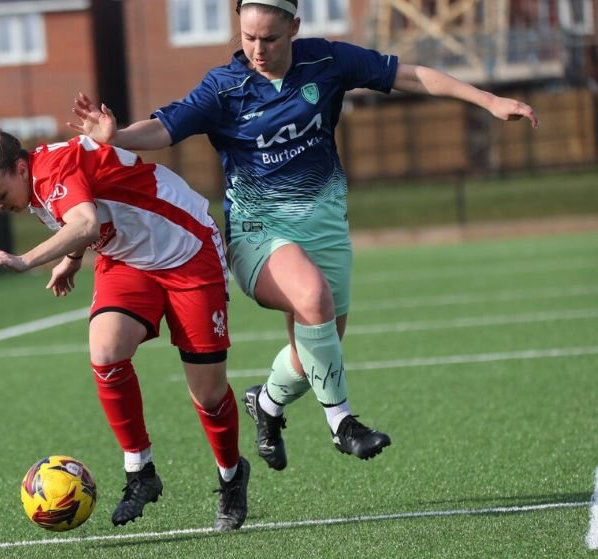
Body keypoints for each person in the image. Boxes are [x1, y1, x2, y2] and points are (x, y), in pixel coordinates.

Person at [69, 0, 539, 471]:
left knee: (313, 347)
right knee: (312, 298)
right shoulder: (224, 88)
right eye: (248, 37)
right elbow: (165, 129)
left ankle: (268, 405)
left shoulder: (326, 62)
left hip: (326, 228)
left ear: (294, 27)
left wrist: (490, 100)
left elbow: (410, 75)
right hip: (258, 233)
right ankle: (343, 423)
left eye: (269, 38)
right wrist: (118, 135)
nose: (257, 48)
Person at [0, 104, 250, 530]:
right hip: (129, 261)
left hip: (188, 251)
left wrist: (25, 260)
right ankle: (141, 473)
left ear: (20, 170)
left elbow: (84, 223)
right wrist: (73, 260)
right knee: (105, 350)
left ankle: (231, 475)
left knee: (208, 395)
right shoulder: (39, 179)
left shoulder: (52, 173)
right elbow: (82, 216)